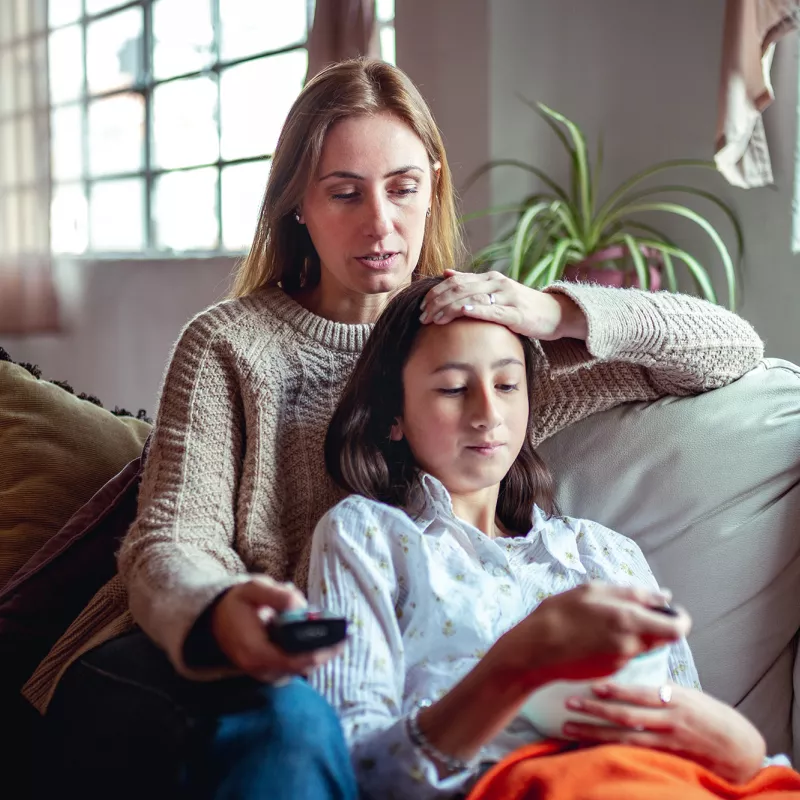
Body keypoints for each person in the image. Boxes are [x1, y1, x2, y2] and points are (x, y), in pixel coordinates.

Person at [26, 56, 764, 797]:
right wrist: (222, 611)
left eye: (403, 189)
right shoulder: (229, 343)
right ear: (297, 207)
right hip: (183, 652)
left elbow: (729, 349)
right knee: (296, 720)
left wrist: (554, 312)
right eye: (344, 193)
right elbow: (171, 543)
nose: (380, 224)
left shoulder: (476, 343)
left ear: (434, 186)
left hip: (346, 680)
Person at [307, 277, 798, 800]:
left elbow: (689, 730)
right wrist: (513, 668)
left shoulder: (603, 552)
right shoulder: (368, 536)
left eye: (507, 385)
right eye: (453, 388)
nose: (488, 415)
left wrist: (556, 312)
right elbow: (358, 775)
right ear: (393, 417)